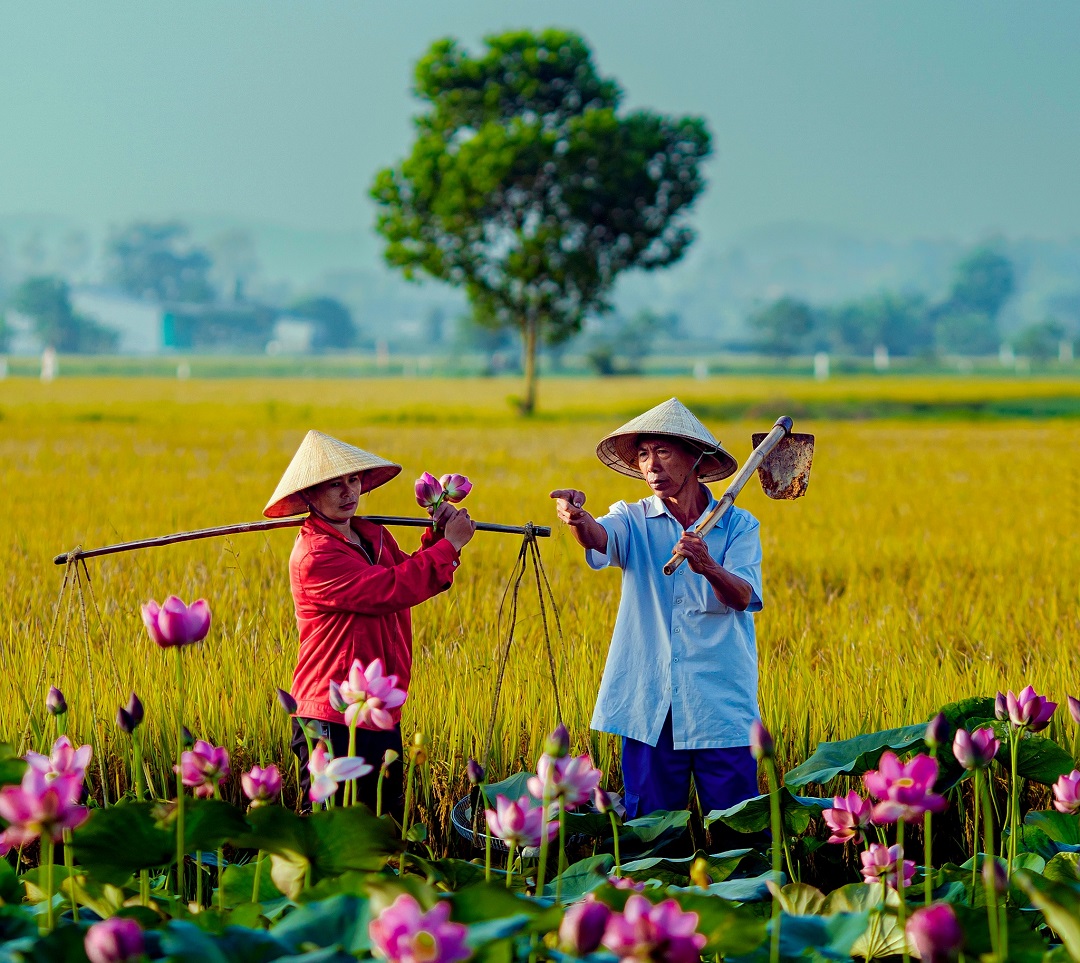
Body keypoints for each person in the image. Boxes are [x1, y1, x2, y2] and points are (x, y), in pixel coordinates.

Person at [550, 397, 763, 819]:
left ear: (697, 460)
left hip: (719, 704)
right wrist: (577, 519)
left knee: (741, 832)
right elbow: (598, 536)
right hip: (649, 704)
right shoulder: (630, 518)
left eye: (663, 452)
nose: (651, 466)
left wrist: (708, 567)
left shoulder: (739, 525)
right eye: (644, 455)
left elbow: (743, 596)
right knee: (649, 834)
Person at [264, 430, 476, 811]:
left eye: (353, 480)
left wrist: (437, 536)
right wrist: (451, 545)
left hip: (376, 704)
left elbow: (410, 573)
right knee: (338, 826)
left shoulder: (370, 534)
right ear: (309, 496)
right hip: (333, 713)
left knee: (384, 822)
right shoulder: (315, 557)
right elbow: (390, 589)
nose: (349, 492)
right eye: (334, 485)